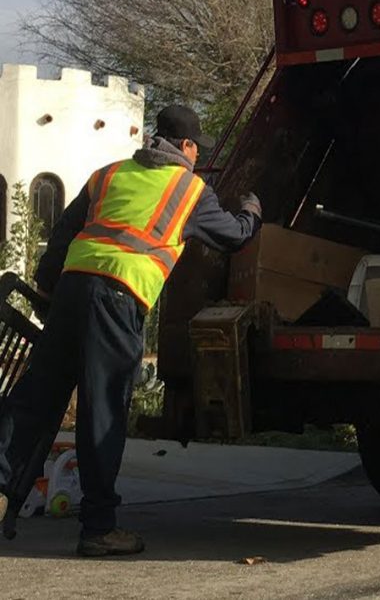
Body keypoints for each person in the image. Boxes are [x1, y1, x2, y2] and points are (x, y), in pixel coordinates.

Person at [0, 105, 262, 557]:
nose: (197, 156)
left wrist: (48, 290)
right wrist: (253, 210)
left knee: (35, 397)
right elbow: (235, 236)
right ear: (185, 147)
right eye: (196, 148)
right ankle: (99, 528)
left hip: (72, 289)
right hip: (118, 298)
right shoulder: (189, 189)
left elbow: (63, 235)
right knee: (103, 411)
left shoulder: (109, 174)